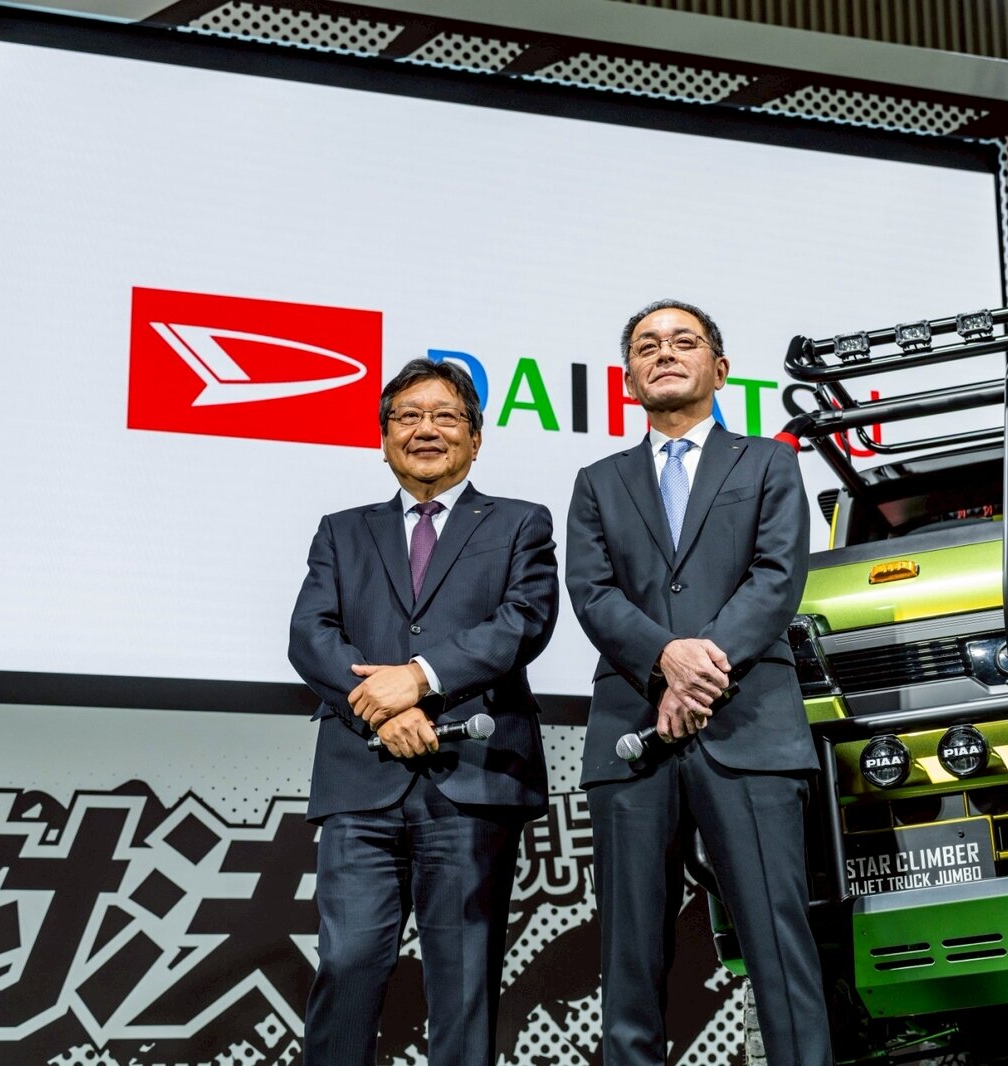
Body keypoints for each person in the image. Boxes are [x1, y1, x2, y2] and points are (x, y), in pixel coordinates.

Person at [566, 299, 831, 1066]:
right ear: (627, 380)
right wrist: (665, 661)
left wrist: (697, 668)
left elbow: (776, 578)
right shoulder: (597, 482)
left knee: (779, 946)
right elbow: (592, 592)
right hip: (632, 734)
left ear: (720, 368)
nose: (665, 352)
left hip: (750, 727)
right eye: (646, 345)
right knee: (630, 963)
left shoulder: (768, 463)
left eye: (684, 341)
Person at [289, 358, 559, 1066]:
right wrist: (381, 714)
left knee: (463, 984)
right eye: (407, 417)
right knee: (346, 966)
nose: (425, 430)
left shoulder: (520, 523)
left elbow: (523, 622)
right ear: (383, 440)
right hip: (361, 784)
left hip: (471, 781)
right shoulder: (342, 532)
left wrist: (419, 679)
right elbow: (310, 636)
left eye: (445, 416)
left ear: (476, 436)